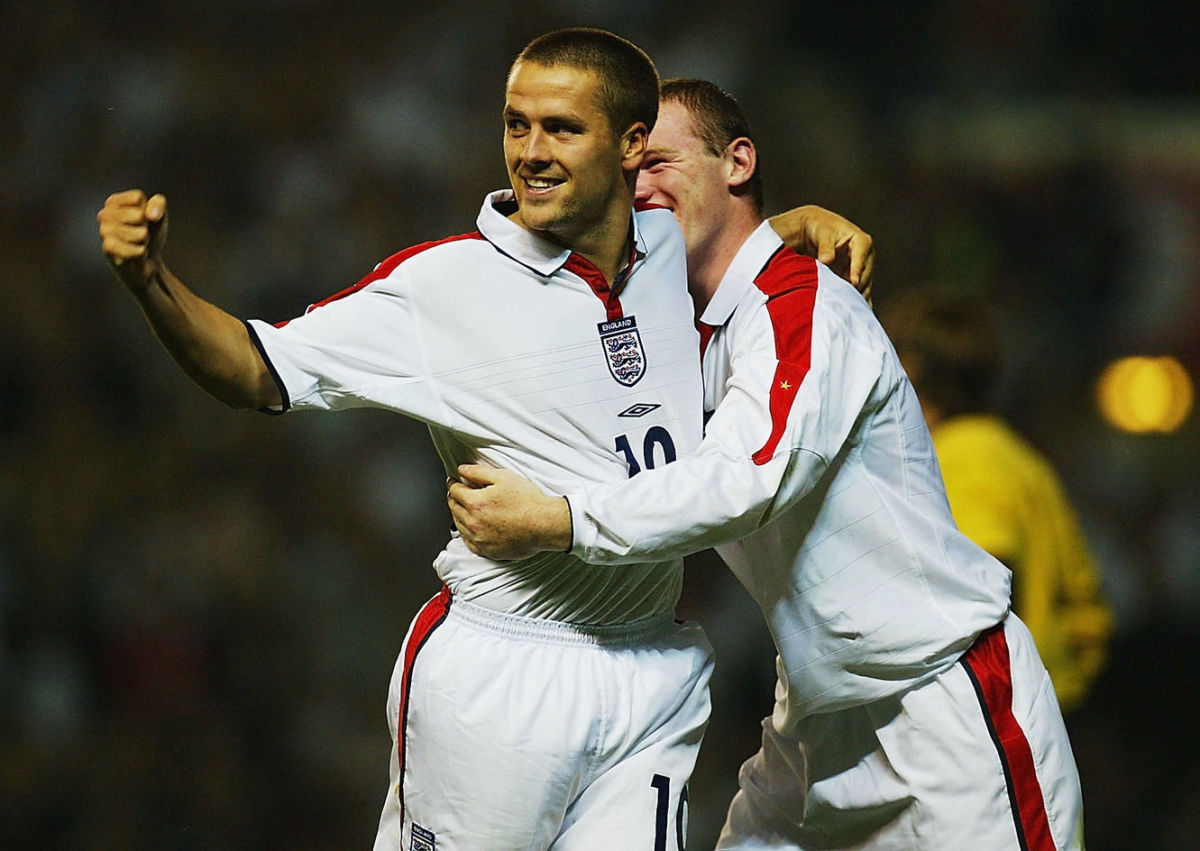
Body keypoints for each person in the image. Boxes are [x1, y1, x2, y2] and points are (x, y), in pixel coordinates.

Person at [97, 29, 873, 851]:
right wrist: (152, 284)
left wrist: (792, 224)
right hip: (500, 679)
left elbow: (728, 236)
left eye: (561, 129)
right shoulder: (444, 285)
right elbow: (256, 368)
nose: (530, 152)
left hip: (652, 667)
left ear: (632, 143)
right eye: (515, 125)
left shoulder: (662, 251)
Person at [448, 78, 1085, 849]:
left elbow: (745, 475)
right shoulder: (680, 328)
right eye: (624, 176)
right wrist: (752, 222)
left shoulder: (801, 302)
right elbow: (534, 273)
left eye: (658, 163)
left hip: (941, 713)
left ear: (738, 161)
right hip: (814, 725)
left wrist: (559, 521)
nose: (637, 188)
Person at [880, 288, 1113, 715]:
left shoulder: (961, 457)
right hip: (1042, 712)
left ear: (909, 367)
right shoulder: (1019, 459)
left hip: (994, 722)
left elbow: (985, 592)